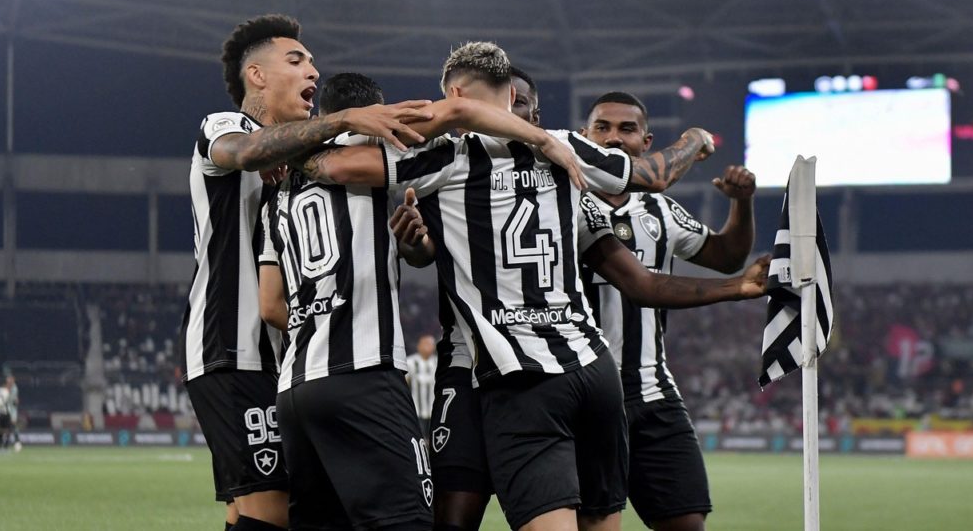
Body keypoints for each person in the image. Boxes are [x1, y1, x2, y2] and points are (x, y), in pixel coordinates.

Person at [294, 41, 716, 531]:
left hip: (520, 373)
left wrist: (316, 135)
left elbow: (336, 166)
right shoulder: (567, 146)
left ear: (454, 94)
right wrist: (693, 139)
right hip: (594, 369)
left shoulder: (445, 157)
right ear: (511, 95)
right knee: (599, 521)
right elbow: (653, 174)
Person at [389, 66, 769, 531]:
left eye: (520, 105)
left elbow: (644, 281)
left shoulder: (577, 189)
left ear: (537, 118)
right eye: (602, 129)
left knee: (618, 517)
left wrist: (738, 282)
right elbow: (425, 249)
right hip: (475, 371)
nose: (507, 115)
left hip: (573, 378)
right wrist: (414, 246)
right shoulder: (446, 167)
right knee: (455, 514)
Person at [258, 70, 581, 530]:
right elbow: (459, 113)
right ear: (375, 113)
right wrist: (542, 140)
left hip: (296, 388)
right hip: (364, 373)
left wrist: (324, 320)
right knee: (411, 520)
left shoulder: (278, 196)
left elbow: (270, 305)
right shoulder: (381, 158)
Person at [180, 16, 433, 531]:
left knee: (268, 509)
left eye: (314, 62)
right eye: (296, 61)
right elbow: (247, 154)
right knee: (267, 510)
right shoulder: (224, 127)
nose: (313, 70)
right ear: (256, 76)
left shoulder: (304, 159)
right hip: (233, 347)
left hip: (290, 358)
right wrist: (345, 120)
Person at [580, 91, 757, 531]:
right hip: (586, 394)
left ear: (646, 141)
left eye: (627, 129)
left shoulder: (658, 210)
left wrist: (742, 203)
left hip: (653, 392)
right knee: (598, 523)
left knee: (687, 522)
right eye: (602, 127)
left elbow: (726, 256)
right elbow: (645, 285)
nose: (613, 138)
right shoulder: (560, 200)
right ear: (584, 136)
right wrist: (694, 139)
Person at [405, 335, 438, 437]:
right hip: (417, 410)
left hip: (435, 409)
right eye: (425, 344)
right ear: (419, 346)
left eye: (430, 344)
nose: (428, 347)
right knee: (419, 437)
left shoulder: (438, 362)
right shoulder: (410, 362)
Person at [0, 375, 20, 452]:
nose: (10, 382)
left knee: (11, 425)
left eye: (11, 380)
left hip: (11, 410)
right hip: (3, 410)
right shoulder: (2, 389)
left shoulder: (14, 388)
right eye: (9, 381)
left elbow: (15, 400)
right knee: (2, 427)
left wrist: (15, 401)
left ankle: (16, 441)